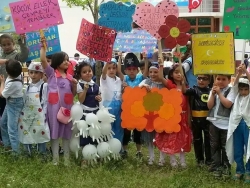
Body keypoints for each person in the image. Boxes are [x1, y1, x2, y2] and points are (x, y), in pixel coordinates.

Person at [40, 37, 77, 166]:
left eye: (68, 60)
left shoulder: (70, 77)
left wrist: (74, 85)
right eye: (64, 59)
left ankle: (66, 159)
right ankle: (55, 159)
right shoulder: (51, 73)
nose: (67, 62)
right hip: (54, 108)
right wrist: (43, 47)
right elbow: (43, 60)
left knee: (67, 133)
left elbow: (74, 94)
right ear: (57, 61)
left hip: (67, 108)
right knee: (54, 132)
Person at [154, 64, 192, 168]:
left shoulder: (186, 88)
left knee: (182, 139)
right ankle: (172, 160)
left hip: (183, 118)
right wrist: (161, 65)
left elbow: (187, 103)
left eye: (181, 72)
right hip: (173, 117)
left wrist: (189, 117)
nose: (179, 74)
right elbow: (161, 77)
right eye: (176, 72)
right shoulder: (171, 85)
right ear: (171, 74)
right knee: (171, 138)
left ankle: (182, 160)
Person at [117, 52, 148, 158]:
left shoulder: (140, 78)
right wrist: (120, 58)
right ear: (125, 70)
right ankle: (125, 150)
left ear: (137, 70)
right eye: (129, 69)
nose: (131, 71)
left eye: (134, 69)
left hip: (138, 110)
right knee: (126, 131)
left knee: (137, 131)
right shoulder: (124, 78)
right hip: (127, 110)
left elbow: (146, 72)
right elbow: (118, 71)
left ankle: (139, 151)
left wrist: (145, 59)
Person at [18, 62, 50, 158]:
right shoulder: (26, 88)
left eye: (36, 72)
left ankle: (42, 153)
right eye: (31, 72)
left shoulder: (44, 86)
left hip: (39, 115)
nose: (33, 75)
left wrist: (44, 114)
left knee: (40, 132)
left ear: (41, 74)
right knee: (26, 132)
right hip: (27, 115)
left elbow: (46, 101)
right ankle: (28, 152)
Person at [139, 60, 167, 165]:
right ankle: (151, 156)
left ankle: (161, 158)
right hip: (149, 114)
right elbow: (137, 89)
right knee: (149, 135)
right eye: (150, 72)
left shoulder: (164, 84)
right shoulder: (146, 82)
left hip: (160, 114)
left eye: (155, 72)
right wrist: (143, 87)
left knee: (160, 135)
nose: (152, 74)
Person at [0, 34, 29, 138]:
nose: (6, 46)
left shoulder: (16, 55)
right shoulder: (1, 56)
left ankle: (13, 135)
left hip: (12, 93)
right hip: (2, 88)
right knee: (2, 113)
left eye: (9, 44)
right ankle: (4, 138)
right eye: (4, 45)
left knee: (10, 117)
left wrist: (22, 41)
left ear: (13, 43)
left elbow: (24, 56)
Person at [207, 74, 235, 178]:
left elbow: (228, 104)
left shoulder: (231, 90)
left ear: (229, 80)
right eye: (218, 79)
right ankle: (216, 165)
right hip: (214, 122)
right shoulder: (213, 90)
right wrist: (213, 94)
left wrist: (219, 93)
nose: (220, 81)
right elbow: (209, 106)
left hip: (226, 124)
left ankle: (226, 167)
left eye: (224, 79)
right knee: (214, 145)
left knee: (225, 146)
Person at [226, 64, 250, 183]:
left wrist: (246, 70)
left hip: (248, 125)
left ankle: (248, 172)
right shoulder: (236, 96)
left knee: (249, 148)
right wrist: (239, 73)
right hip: (236, 125)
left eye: (246, 89)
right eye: (241, 89)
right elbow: (234, 85)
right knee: (237, 149)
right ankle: (240, 170)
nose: (243, 91)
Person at [183, 74, 212, 166]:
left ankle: (209, 160)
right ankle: (199, 160)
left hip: (208, 120)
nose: (201, 81)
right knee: (197, 139)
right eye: (199, 78)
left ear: (209, 81)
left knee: (208, 140)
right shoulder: (194, 90)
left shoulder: (211, 91)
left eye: (204, 79)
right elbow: (184, 91)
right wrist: (183, 80)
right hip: (196, 119)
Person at [0, 59, 24, 156]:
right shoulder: (18, 74)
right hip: (11, 103)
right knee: (3, 123)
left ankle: (16, 153)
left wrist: (2, 82)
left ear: (7, 72)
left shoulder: (11, 84)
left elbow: (2, 95)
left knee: (12, 129)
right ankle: (8, 145)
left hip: (14, 104)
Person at [74, 62, 101, 147]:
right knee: (85, 132)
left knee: (95, 130)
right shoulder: (80, 85)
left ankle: (96, 149)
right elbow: (81, 100)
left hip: (95, 111)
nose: (88, 73)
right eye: (84, 72)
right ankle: (86, 152)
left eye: (89, 71)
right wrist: (85, 90)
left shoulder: (95, 85)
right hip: (85, 112)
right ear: (80, 74)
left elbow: (99, 95)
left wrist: (99, 98)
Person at [100, 58, 123, 143]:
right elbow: (103, 72)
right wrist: (107, 60)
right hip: (108, 107)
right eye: (109, 68)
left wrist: (120, 57)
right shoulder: (104, 79)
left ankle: (117, 146)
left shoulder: (118, 80)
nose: (111, 70)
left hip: (118, 106)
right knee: (108, 126)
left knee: (118, 126)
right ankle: (107, 146)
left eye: (113, 68)